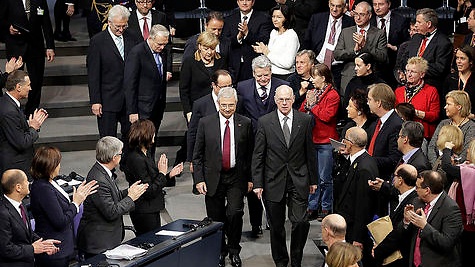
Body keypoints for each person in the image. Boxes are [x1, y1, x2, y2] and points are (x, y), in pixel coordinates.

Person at [252, 85, 317, 267]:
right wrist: (257, 182)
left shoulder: (304, 120)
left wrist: (313, 180)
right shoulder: (265, 122)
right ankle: (281, 261)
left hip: (299, 178)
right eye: (280, 99)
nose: (284, 103)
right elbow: (258, 155)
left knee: (300, 222)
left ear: (293, 99)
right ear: (275, 100)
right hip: (273, 180)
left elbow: (309, 152)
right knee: (277, 227)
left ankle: (296, 260)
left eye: (287, 99)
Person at [193, 87, 254, 267]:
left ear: (236, 104)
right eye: (224, 105)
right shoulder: (205, 123)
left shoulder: (246, 123)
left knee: (235, 213)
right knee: (216, 218)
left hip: (237, 176)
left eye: (231, 105)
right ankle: (220, 251)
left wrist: (250, 178)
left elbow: (250, 154)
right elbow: (197, 155)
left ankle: (234, 250)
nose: (227, 109)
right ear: (218, 104)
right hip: (213, 177)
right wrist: (199, 179)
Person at [77, 136, 149, 259]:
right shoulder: (98, 179)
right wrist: (131, 198)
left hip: (107, 240)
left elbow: (113, 196)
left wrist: (129, 192)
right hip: (99, 244)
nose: (122, 157)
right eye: (121, 154)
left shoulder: (104, 172)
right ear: (114, 158)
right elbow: (111, 212)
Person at [30, 147, 98, 267]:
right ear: (50, 166)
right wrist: (76, 203)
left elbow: (61, 207)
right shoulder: (43, 189)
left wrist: (78, 197)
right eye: (58, 163)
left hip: (62, 247)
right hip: (53, 251)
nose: (60, 166)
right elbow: (60, 221)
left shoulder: (50, 182)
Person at [87, 5, 140, 139]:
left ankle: (126, 161)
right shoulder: (97, 41)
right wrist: (95, 100)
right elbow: (93, 74)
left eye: (124, 26)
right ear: (109, 22)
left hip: (129, 101)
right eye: (117, 26)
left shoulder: (133, 37)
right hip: (107, 100)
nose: (121, 29)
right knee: (108, 140)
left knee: (131, 139)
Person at [125, 120, 182, 235]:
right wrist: (161, 173)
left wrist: (169, 175)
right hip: (144, 211)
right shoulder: (136, 159)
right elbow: (149, 191)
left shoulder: (146, 152)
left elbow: (153, 180)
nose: (154, 134)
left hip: (151, 208)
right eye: (153, 132)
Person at [299, 64, 340, 220]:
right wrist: (308, 105)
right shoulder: (311, 92)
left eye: (314, 76)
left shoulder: (333, 95)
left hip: (325, 141)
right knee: (313, 176)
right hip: (311, 140)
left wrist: (312, 106)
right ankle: (312, 205)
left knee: (324, 177)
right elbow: (302, 112)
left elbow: (326, 116)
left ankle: (325, 207)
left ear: (323, 78)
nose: (311, 79)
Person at [397, 170, 463, 267]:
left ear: (427, 190)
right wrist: (406, 221)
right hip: (414, 263)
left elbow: (446, 243)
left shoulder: (451, 209)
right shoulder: (417, 202)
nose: (415, 189)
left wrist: (424, 226)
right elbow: (405, 235)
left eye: (417, 187)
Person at [0, 0, 55, 116]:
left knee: (36, 81)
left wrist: (50, 46)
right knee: (14, 81)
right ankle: (14, 110)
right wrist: (8, 27)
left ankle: (31, 111)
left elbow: (46, 22)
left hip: (36, 47)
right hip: (15, 46)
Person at [0, 169, 61, 267]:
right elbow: (5, 249)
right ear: (18, 187)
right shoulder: (3, 213)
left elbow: (27, 232)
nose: (29, 183)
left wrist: (43, 244)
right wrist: (32, 249)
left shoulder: (21, 204)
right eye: (26, 180)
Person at [336, 126, 378, 267]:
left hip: (355, 230)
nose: (343, 142)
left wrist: (358, 237)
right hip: (349, 225)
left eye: (345, 139)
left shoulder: (364, 167)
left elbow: (364, 206)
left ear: (351, 143)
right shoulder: (358, 161)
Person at [124, 24, 171, 139]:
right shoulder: (137, 53)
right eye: (159, 44)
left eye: (165, 44)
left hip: (157, 105)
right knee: (141, 141)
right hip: (142, 107)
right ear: (150, 38)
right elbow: (130, 84)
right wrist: (132, 110)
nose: (162, 47)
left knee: (152, 139)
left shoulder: (163, 52)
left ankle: (150, 158)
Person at [0, 71, 48, 179]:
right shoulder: (9, 111)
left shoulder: (7, 102)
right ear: (18, 87)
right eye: (28, 85)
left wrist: (29, 124)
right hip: (15, 169)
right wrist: (33, 127)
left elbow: (15, 129)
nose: (30, 89)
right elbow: (21, 143)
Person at [333, 1, 388, 95]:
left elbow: (383, 57)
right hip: (348, 78)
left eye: (362, 15)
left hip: (369, 81)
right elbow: (337, 54)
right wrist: (354, 51)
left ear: (369, 15)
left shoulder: (379, 33)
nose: (357, 18)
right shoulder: (346, 32)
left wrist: (365, 46)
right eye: (355, 14)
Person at [396, 8, 453, 93]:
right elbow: (405, 58)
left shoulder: (444, 43)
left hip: (429, 87)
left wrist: (418, 70)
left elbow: (440, 68)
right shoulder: (416, 37)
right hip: (408, 84)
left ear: (429, 24)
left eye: (419, 22)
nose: (415, 25)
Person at [372, 164, 418, 267]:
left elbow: (398, 234)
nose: (393, 179)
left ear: (401, 180)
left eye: (395, 176)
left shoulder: (411, 203)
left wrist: (379, 250)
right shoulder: (404, 196)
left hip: (399, 258)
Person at [179, 31, 228, 123]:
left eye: (212, 49)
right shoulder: (190, 62)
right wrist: (188, 111)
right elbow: (183, 90)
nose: (209, 52)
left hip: (218, 107)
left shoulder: (221, 60)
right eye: (206, 49)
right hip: (197, 109)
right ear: (199, 46)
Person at [304, 0, 354, 88]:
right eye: (332, 5)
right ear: (328, 4)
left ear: (344, 7)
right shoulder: (317, 18)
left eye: (338, 6)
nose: (334, 9)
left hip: (339, 68)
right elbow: (307, 42)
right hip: (318, 65)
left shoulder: (350, 22)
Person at [441, 139, 475, 267]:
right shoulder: (466, 169)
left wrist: (447, 148)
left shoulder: (471, 173)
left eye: (469, 148)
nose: (466, 150)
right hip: (462, 224)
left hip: (467, 226)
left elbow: (446, 167)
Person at [187, 70, 233, 163]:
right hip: (209, 158)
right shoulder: (200, 105)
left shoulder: (237, 101)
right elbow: (193, 133)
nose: (227, 90)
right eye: (223, 87)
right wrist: (192, 159)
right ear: (214, 85)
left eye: (230, 86)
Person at [222, 0, 273, 82]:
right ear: (237, 2)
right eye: (241, 0)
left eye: (248, 0)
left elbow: (264, 41)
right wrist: (238, 37)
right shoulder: (229, 19)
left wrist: (247, 33)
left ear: (253, 2)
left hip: (254, 67)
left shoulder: (264, 18)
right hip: (234, 67)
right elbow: (225, 42)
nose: (244, 3)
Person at [237, 55, 289, 132]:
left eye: (266, 75)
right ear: (253, 73)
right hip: (251, 134)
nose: (263, 79)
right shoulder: (242, 87)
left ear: (271, 72)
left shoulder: (283, 86)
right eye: (259, 76)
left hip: (276, 133)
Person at [395, 57, 440, 145]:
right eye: (407, 71)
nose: (409, 74)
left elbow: (435, 116)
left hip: (420, 136)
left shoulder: (431, 91)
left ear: (422, 74)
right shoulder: (399, 91)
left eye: (413, 72)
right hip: (400, 133)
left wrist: (414, 113)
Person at [252, 4, 300, 80]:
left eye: (279, 17)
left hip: (284, 76)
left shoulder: (291, 35)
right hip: (271, 74)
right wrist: (263, 51)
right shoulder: (274, 32)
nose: (275, 19)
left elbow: (288, 64)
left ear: (286, 18)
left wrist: (267, 53)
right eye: (273, 16)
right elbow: (271, 54)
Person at [366, 83, 403, 181]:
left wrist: (367, 160)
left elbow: (394, 159)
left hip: (383, 180)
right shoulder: (376, 123)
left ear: (378, 103)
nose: (367, 103)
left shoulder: (397, 125)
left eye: (369, 100)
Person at [428, 90, 475, 164]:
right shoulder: (443, 123)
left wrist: (450, 167)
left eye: (448, 104)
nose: (445, 107)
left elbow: (467, 152)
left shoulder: (471, 127)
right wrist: (436, 165)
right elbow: (432, 147)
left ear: (459, 107)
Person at [370, 0, 410, 87]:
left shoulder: (401, 21)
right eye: (374, 4)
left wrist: (395, 47)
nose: (377, 8)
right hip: (373, 66)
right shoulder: (369, 19)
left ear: (389, 4)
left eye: (380, 4)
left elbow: (408, 43)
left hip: (392, 65)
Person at [444, 45, 475, 116]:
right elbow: (444, 102)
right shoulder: (450, 78)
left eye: (462, 58)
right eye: (457, 58)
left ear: (471, 61)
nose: (458, 61)